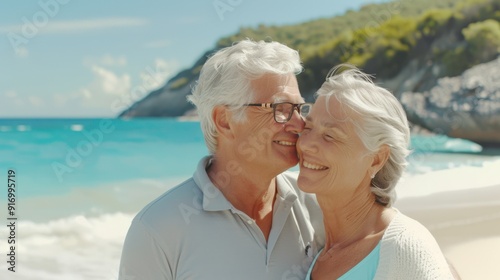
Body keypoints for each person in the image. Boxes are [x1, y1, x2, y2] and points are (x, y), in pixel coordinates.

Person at [118, 39, 325, 280]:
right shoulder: (156, 229)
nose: (299, 124)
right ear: (224, 120)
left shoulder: (317, 206)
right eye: (280, 108)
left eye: (300, 108)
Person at [297, 65, 456, 279]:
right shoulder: (318, 252)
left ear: (377, 159)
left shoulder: (404, 247)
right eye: (307, 128)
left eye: (330, 136)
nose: (306, 145)